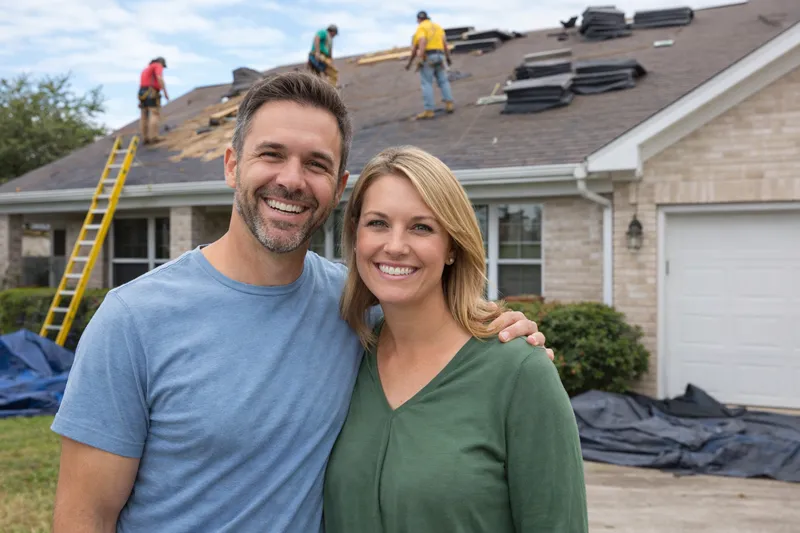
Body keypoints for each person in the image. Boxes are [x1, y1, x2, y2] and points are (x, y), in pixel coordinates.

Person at [50, 71, 551, 533]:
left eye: (316, 164)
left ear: (338, 188)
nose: (291, 179)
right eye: (271, 154)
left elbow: (443, 331)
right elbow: (84, 516)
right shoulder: (133, 320)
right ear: (232, 165)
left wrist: (508, 342)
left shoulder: (360, 307)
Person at [323, 145, 588, 532]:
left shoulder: (518, 372)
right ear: (355, 235)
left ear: (451, 246)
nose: (395, 245)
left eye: (421, 227)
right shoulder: (346, 353)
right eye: (378, 223)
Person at [405, 11, 454, 119]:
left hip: (428, 57)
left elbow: (421, 42)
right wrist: (448, 58)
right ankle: (449, 104)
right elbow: (445, 44)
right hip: (440, 56)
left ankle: (429, 110)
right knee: (443, 81)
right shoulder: (437, 27)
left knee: (426, 83)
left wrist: (417, 59)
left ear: (418, 19)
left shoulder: (421, 28)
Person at [137, 57, 169, 144]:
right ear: (161, 63)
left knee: (144, 115)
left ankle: (145, 137)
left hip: (142, 92)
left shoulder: (146, 69)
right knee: (154, 113)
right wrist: (165, 91)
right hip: (151, 92)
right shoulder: (157, 65)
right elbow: (159, 77)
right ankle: (154, 137)